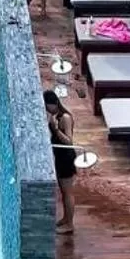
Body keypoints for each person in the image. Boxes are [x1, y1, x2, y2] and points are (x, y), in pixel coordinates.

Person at [43, 88, 78, 228]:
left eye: (47, 107)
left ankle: (70, 224)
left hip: (66, 157)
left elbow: (69, 141)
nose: (46, 110)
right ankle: (65, 218)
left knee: (67, 192)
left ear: (54, 103)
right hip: (59, 156)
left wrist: (55, 129)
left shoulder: (65, 118)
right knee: (63, 192)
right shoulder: (54, 117)